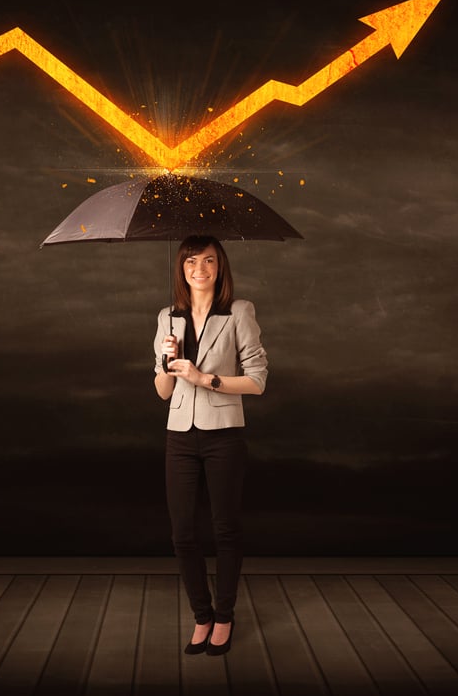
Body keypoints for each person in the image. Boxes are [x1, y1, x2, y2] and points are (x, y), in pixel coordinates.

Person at [153, 234, 268, 656]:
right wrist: (168, 362)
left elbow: (257, 381)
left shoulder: (238, 312)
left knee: (224, 529)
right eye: (190, 262)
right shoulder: (168, 317)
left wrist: (206, 379)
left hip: (224, 434)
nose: (199, 270)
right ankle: (201, 616)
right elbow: (164, 391)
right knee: (182, 533)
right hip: (180, 434)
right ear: (181, 269)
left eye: (208, 261)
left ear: (220, 267)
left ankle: (224, 616)